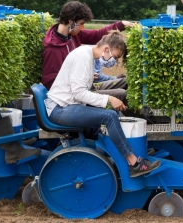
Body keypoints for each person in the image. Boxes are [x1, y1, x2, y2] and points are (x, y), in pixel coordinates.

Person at [45, 30, 160, 177]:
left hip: (68, 105)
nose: (115, 61)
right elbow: (79, 93)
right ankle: (134, 164)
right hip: (61, 109)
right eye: (116, 56)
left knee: (112, 113)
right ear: (106, 49)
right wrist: (109, 99)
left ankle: (128, 149)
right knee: (110, 116)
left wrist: (107, 100)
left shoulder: (87, 54)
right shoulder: (83, 57)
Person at [41, 1, 134, 90]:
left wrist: (121, 25)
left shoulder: (74, 34)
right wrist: (83, 78)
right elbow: (51, 81)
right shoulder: (52, 48)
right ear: (70, 21)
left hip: (83, 85)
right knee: (120, 93)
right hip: (73, 93)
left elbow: (96, 35)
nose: (82, 27)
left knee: (125, 83)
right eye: (81, 24)